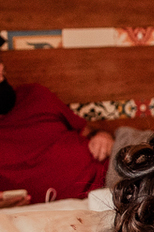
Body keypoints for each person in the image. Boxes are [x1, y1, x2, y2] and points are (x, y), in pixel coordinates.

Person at [0, 62, 114, 203]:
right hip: (99, 195)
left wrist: (102, 135)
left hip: (113, 164)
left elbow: (87, 130)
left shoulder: (35, 94)